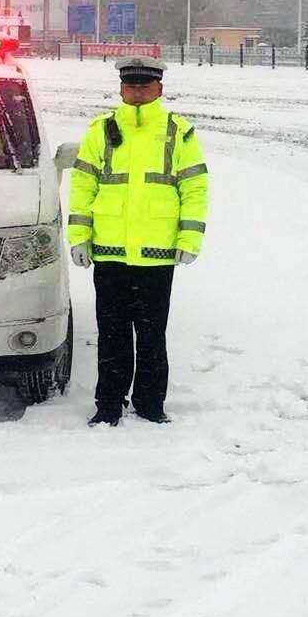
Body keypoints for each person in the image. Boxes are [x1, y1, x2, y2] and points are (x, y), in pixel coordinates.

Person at [66, 56, 209, 426]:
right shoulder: (101, 130)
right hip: (110, 252)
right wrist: (79, 236)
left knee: (151, 335)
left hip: (156, 255)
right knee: (112, 335)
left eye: (144, 86)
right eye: (131, 86)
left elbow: (194, 188)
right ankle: (109, 404)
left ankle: (149, 403)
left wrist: (190, 238)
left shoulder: (179, 132)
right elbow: (82, 185)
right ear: (121, 89)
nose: (137, 92)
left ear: (159, 88)